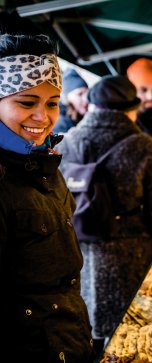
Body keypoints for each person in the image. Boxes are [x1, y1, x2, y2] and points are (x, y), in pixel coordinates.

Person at [56, 75, 152, 351]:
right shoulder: (147, 148)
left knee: (85, 344)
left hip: (76, 267)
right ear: (132, 109)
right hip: (131, 270)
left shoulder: (64, 144)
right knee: (130, 347)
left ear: (90, 106)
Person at [0, 33, 94, 362]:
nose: (43, 117)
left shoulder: (45, 165)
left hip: (70, 339)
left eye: (52, 103)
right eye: (26, 102)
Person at [53, 68, 89, 134]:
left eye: (87, 94)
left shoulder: (83, 118)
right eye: (80, 94)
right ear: (66, 97)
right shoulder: (59, 122)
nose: (86, 99)